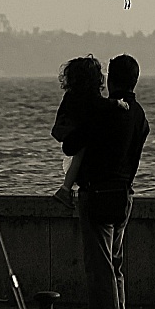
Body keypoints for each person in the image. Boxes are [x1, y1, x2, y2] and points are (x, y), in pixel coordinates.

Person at [61, 53, 150, 309]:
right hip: (124, 195)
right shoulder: (139, 116)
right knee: (115, 266)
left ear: (112, 79)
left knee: (99, 269)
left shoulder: (105, 112)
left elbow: (70, 144)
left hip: (97, 194)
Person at [50, 56, 107, 209]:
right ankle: (65, 189)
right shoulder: (90, 100)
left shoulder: (70, 97)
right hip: (80, 144)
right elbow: (103, 105)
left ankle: (66, 189)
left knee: (77, 157)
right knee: (81, 154)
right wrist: (117, 103)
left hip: (72, 139)